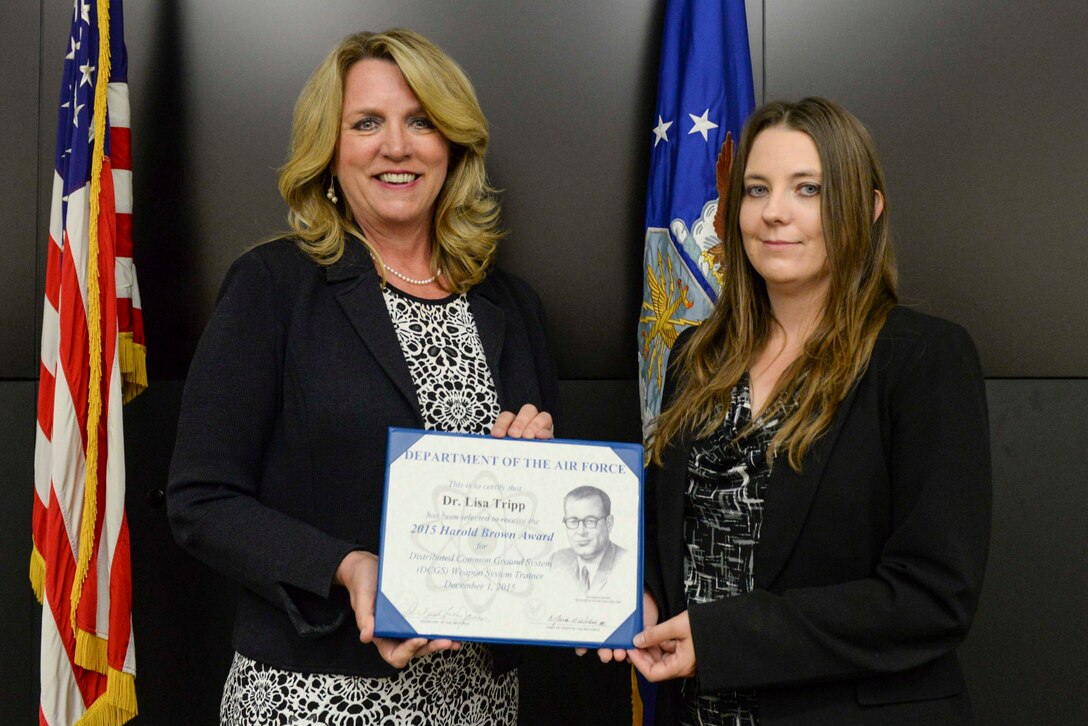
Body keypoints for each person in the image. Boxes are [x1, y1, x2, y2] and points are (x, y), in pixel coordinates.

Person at [167, 29, 559, 724]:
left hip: (475, 701)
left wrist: (535, 471)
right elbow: (200, 498)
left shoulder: (512, 308)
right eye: (368, 123)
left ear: (454, 146)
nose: (397, 147)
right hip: (312, 699)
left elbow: (540, 526)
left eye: (421, 121)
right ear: (330, 149)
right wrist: (345, 565)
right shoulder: (273, 288)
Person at [613, 98, 992, 725]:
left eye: (808, 189)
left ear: (868, 209)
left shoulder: (922, 359)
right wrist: (634, 598)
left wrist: (723, 638)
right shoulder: (697, 356)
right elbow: (671, 539)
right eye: (755, 189)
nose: (774, 213)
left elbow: (933, 597)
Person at [550, 486, 628, 595]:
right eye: (573, 521)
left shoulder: (626, 563)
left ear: (609, 523)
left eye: (591, 521)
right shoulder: (557, 560)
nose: (581, 531)